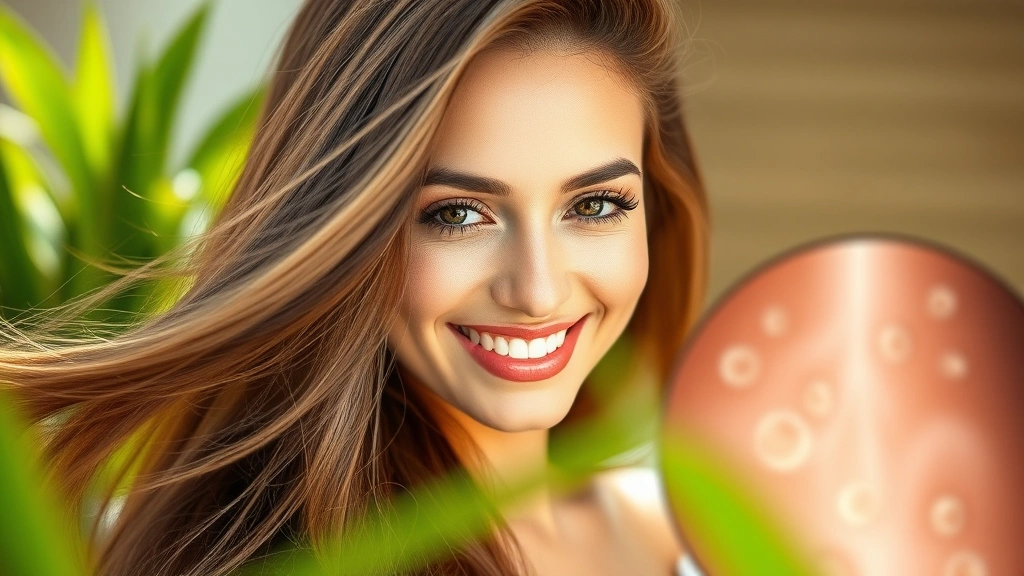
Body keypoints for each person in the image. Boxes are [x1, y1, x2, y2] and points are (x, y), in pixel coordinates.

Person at [0, 0, 709, 574]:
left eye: (594, 206)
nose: (538, 290)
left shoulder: (692, 527)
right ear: (340, 232)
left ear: (660, 206)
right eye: (456, 214)